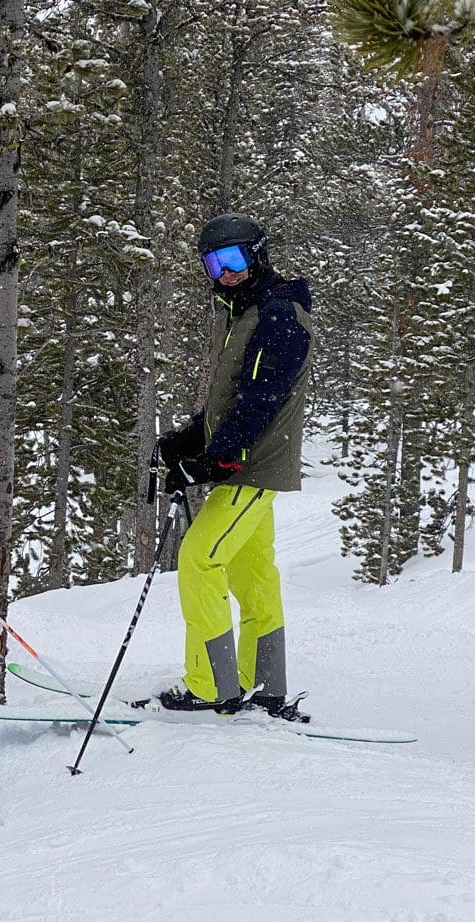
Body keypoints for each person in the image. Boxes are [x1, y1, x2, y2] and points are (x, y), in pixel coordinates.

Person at [157, 213, 313, 718]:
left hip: (253, 465)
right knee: (253, 573)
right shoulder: (243, 311)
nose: (224, 271)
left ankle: (210, 686)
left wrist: (215, 459)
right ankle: (263, 684)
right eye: (212, 263)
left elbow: (261, 399)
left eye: (233, 259)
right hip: (246, 460)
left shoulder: (277, 314)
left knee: (199, 558)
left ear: (258, 254)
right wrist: (187, 440)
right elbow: (231, 400)